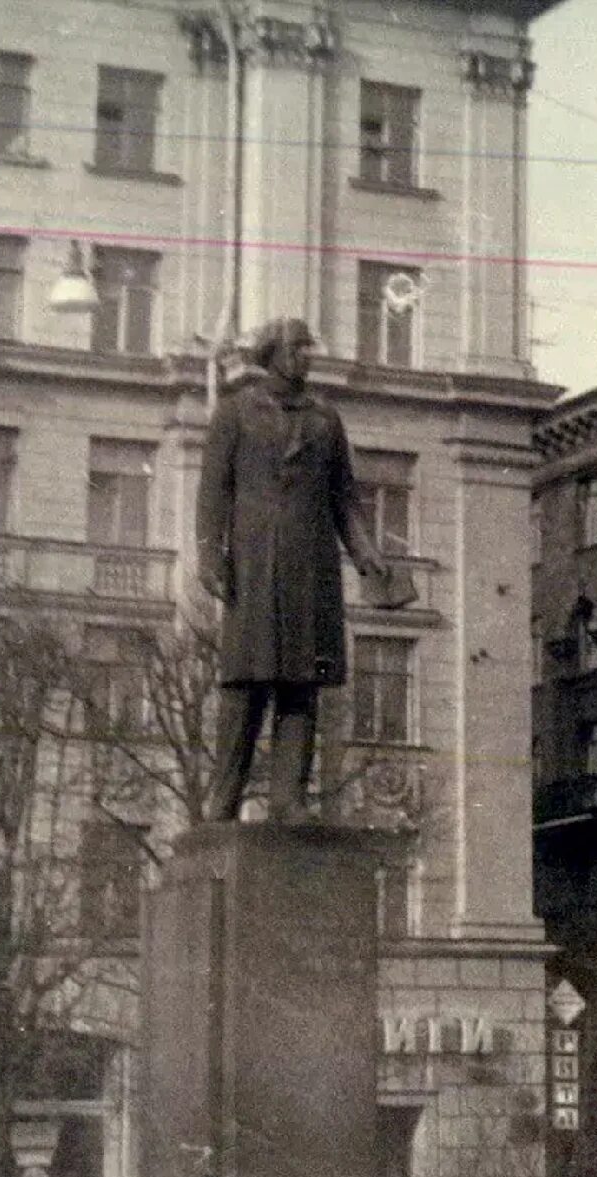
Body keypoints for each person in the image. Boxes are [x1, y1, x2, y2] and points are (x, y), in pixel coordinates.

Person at [196, 317, 411, 824]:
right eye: (297, 348)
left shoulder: (325, 420)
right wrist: (210, 555)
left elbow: (344, 499)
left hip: (311, 567)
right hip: (253, 565)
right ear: (271, 354)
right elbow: (213, 493)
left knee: (302, 684)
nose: (307, 356)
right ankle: (223, 798)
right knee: (246, 683)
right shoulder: (235, 413)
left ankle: (288, 798)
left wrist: (367, 554)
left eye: (309, 348)